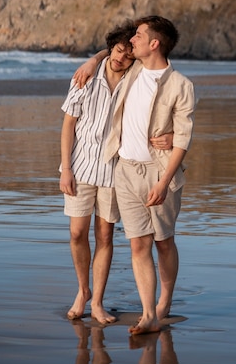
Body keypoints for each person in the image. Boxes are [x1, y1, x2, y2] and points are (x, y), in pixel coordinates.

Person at [76, 16, 195, 335]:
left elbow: (183, 137)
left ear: (154, 43)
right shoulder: (133, 70)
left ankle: (164, 302)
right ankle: (147, 314)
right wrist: (94, 59)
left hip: (160, 172)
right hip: (125, 170)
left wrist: (165, 180)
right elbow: (112, 54)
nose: (134, 41)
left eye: (140, 36)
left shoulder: (181, 85)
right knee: (138, 245)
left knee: (164, 242)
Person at [60, 21, 172, 324]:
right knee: (76, 233)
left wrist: (172, 136)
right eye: (117, 51)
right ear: (110, 48)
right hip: (81, 166)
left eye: (127, 54)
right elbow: (68, 125)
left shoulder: (134, 79)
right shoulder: (85, 78)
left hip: (114, 170)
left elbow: (159, 85)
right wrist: (65, 168)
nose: (121, 58)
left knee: (105, 236)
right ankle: (82, 291)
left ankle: (97, 301)